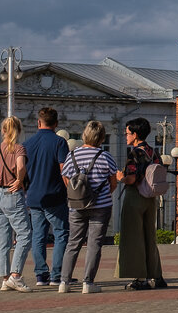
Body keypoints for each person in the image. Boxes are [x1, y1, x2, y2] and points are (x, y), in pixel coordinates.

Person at [57, 120, 118, 294]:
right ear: (101, 138)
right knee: (94, 244)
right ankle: (88, 283)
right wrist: (103, 194)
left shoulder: (72, 155)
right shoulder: (105, 156)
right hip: (101, 206)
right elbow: (113, 182)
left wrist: (77, 194)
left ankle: (64, 282)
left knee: (73, 243)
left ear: (84, 135)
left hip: (75, 206)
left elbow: (66, 179)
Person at [0, 116, 33, 292]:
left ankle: (4, 279)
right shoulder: (18, 148)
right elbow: (21, 166)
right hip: (13, 195)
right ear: (19, 130)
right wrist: (19, 179)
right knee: (25, 234)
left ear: (3, 131)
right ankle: (15, 275)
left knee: (4, 239)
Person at [114, 117, 167, 290]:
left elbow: (131, 178)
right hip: (150, 197)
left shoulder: (135, 153)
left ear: (135, 135)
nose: (125, 135)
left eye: (128, 133)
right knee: (149, 236)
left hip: (135, 196)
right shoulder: (153, 152)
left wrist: (120, 177)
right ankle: (156, 276)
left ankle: (140, 278)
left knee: (134, 237)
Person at [23, 106, 70, 287]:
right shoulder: (59, 142)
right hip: (55, 196)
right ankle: (56, 275)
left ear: (38, 122)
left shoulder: (27, 144)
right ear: (56, 124)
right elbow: (63, 169)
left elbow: (22, 171)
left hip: (34, 197)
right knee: (61, 234)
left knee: (38, 236)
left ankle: (41, 275)